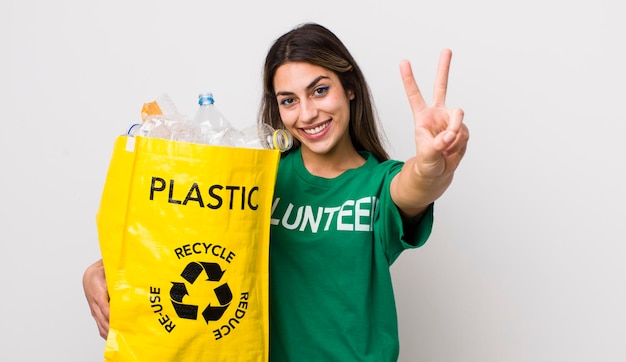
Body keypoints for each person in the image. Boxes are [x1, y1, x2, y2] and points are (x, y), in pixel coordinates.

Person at [83, 22, 469, 361]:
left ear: (349, 88)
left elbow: (417, 185)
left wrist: (431, 164)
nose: (307, 114)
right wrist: (96, 271)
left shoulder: (380, 184)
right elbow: (181, 239)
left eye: (319, 91)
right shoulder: (256, 178)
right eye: (289, 101)